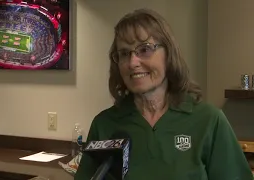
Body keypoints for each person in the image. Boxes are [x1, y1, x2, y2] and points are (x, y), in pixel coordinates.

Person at [74, 8, 253, 180]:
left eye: (144, 49)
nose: (132, 62)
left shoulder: (209, 121)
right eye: (124, 53)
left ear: (169, 55)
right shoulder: (104, 125)